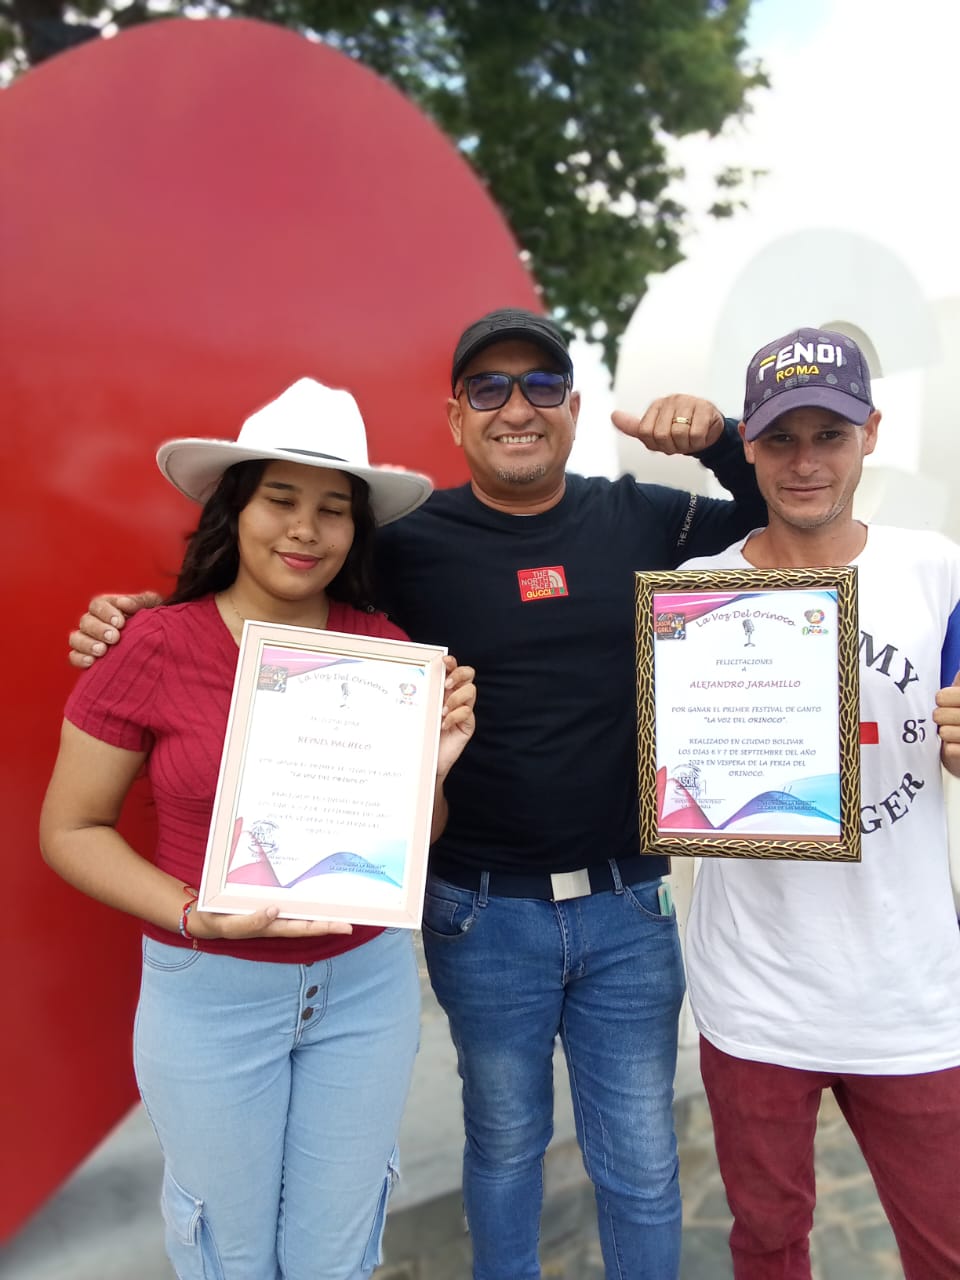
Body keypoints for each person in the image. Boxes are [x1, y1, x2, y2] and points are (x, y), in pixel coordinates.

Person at [68, 308, 768, 1280]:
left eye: (540, 386)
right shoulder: (409, 543)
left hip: (625, 903)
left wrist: (725, 438)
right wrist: (135, 617)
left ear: (572, 406)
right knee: (497, 1151)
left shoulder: (639, 516)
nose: (515, 406)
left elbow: (769, 506)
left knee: (640, 1167)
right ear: (454, 416)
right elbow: (269, 585)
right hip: (478, 912)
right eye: (489, 387)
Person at [41, 377, 477, 1280]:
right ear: (234, 510)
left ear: (356, 531)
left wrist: (427, 774)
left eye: (332, 510)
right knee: (228, 1255)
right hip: (209, 992)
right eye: (280, 499)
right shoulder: (153, 646)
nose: (305, 530)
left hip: (364, 990)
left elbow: (414, 835)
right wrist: (195, 912)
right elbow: (72, 828)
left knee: (336, 1254)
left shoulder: (388, 653)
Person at [678, 327, 960, 1280]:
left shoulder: (938, 571)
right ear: (747, 445)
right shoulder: (690, 600)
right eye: (781, 438)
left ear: (870, 434)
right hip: (757, 997)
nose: (805, 462)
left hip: (913, 994)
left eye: (828, 435)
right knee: (765, 1246)